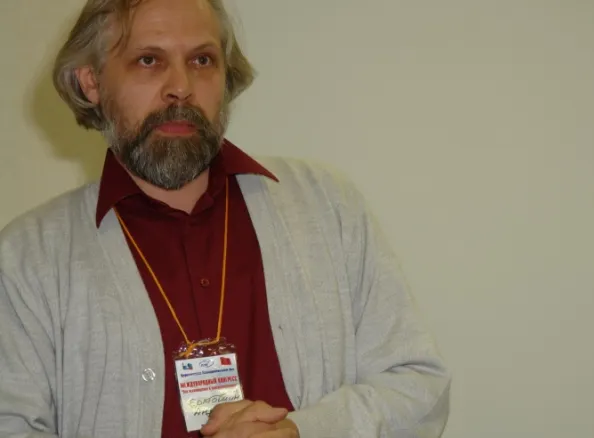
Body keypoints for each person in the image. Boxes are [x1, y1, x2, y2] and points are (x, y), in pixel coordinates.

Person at [0, 0, 451, 437]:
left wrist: (302, 432)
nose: (181, 87)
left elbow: (418, 387)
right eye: (149, 60)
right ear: (92, 82)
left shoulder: (327, 205)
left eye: (202, 60)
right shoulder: (28, 258)